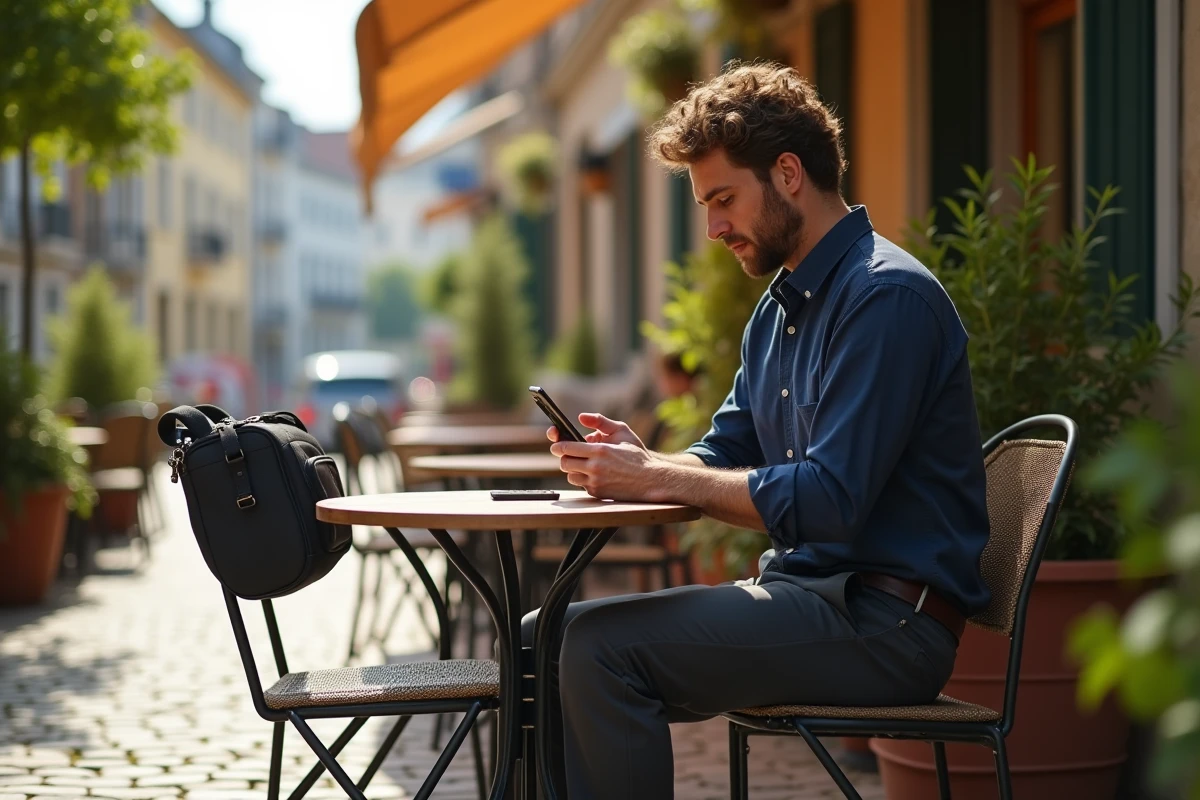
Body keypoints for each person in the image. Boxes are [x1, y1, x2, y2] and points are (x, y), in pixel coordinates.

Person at [531, 61, 992, 799]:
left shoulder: (886, 298)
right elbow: (725, 451)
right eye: (706, 206)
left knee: (593, 646)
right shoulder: (779, 311)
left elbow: (831, 500)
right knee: (539, 636)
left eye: (724, 200)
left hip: (887, 624)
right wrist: (643, 461)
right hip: (811, 598)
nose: (714, 228)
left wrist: (656, 478)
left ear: (787, 174)